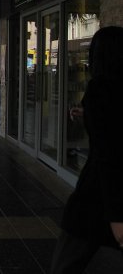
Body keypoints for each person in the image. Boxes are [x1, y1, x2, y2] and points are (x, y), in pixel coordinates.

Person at [50, 26, 123, 274]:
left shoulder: (100, 88)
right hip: (109, 194)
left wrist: (116, 214)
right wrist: (88, 114)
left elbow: (108, 154)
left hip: (99, 196)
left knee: (66, 263)